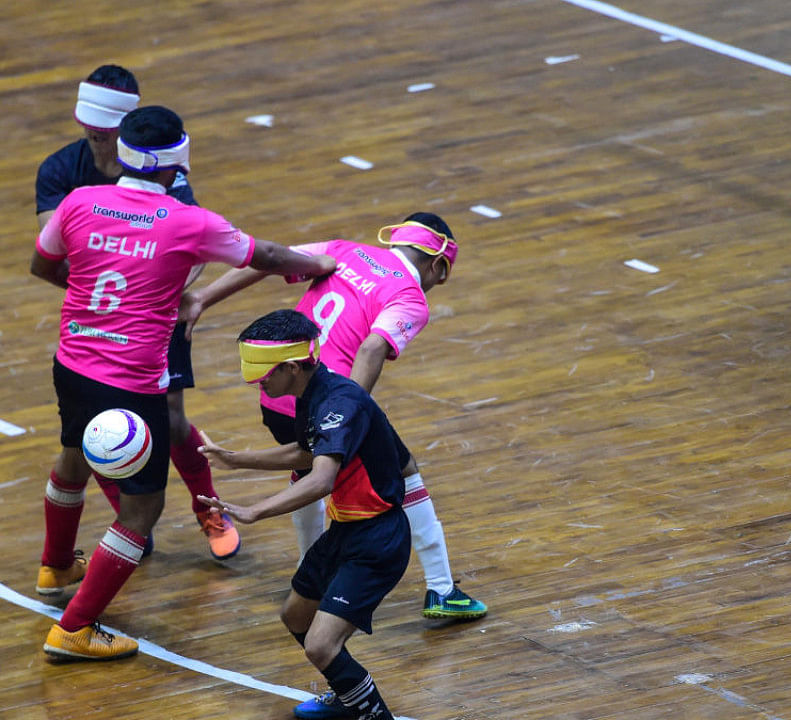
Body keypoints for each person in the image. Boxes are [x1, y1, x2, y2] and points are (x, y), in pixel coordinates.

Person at [31, 105, 336, 660]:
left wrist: (96, 296)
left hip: (73, 363)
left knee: (73, 455)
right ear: (176, 165)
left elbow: (44, 265)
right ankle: (75, 627)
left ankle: (54, 568)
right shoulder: (187, 220)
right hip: (131, 384)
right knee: (141, 512)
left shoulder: (77, 202)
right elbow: (263, 255)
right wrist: (314, 266)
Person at [182, 212, 487, 622]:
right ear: (438, 266)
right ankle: (441, 589)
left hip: (276, 394)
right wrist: (351, 415)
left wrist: (202, 298)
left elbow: (270, 260)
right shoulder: (410, 297)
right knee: (404, 470)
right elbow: (371, 350)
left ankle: (310, 572)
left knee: (308, 466)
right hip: (326, 398)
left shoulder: (344, 250)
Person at [36, 64, 239, 560]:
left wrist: (158, 294)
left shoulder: (164, 173)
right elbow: (55, 254)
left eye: (104, 135)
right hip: (100, 318)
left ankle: (207, 507)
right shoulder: (60, 171)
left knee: (170, 422)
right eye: (90, 132)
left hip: (156, 315)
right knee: (98, 427)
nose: (95, 142)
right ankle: (129, 519)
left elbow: (187, 252)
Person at [197, 309, 410, 720]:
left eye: (265, 376)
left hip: (377, 539)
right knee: (295, 614)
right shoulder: (310, 393)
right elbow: (307, 451)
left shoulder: (339, 403)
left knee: (320, 646)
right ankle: (349, 695)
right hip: (346, 529)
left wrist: (255, 511)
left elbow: (320, 479)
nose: (260, 384)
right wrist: (235, 459)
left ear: (293, 367)